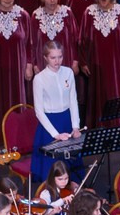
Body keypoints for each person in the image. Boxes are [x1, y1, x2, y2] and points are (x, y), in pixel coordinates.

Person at [28, 41, 81, 184]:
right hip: (49, 125)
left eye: (60, 57)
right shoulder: (39, 79)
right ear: (45, 58)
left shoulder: (68, 72)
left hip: (67, 121)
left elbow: (73, 101)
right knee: (51, 168)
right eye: (53, 58)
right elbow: (39, 111)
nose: (57, 61)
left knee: (71, 164)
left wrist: (76, 126)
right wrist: (55, 134)